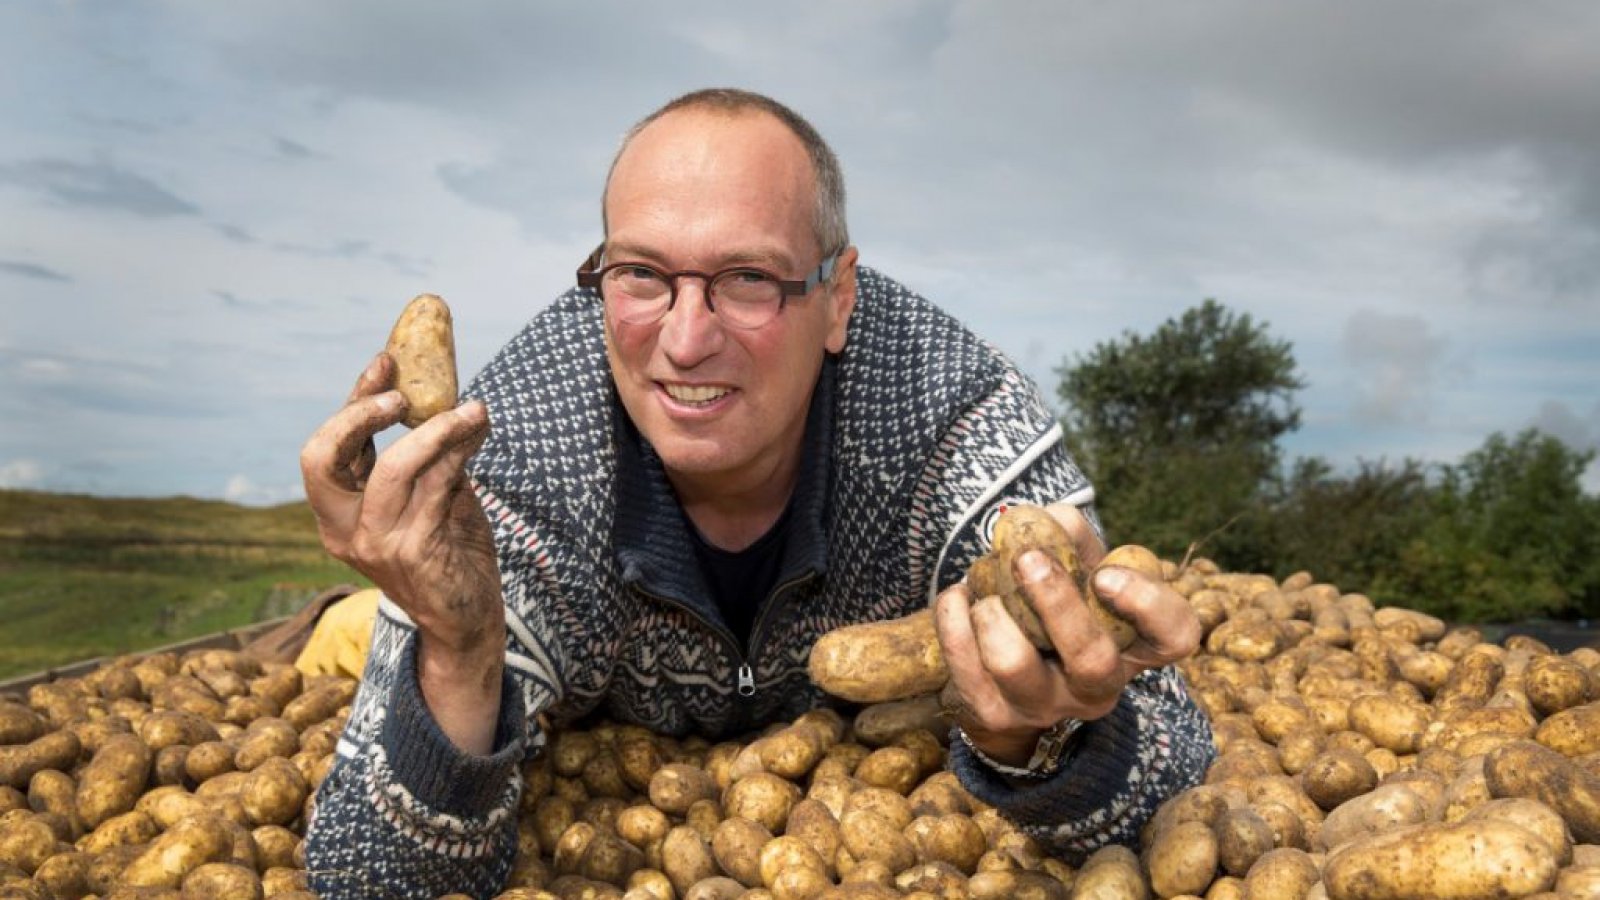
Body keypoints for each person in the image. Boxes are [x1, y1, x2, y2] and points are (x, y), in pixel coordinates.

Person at [299, 88, 1215, 898]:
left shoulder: (952, 407)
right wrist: (460, 650)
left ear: (839, 296)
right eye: (642, 275)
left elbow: (1180, 772)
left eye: (747, 280)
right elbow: (360, 876)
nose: (687, 340)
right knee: (345, 636)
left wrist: (1034, 738)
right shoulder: (519, 460)